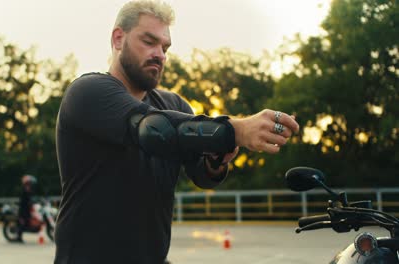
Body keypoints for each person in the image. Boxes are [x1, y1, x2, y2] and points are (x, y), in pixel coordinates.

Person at [54, 0, 299, 263]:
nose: (160, 54)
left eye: (165, 47)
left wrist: (216, 159)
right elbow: (154, 130)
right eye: (149, 42)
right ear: (118, 39)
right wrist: (236, 128)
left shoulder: (173, 105)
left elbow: (202, 175)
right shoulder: (88, 92)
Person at [17, 174, 37, 242]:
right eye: (28, 184)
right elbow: (22, 203)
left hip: (27, 210)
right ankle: (18, 237)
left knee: (27, 221)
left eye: (30, 184)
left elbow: (31, 200)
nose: (29, 186)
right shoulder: (23, 192)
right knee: (23, 222)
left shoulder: (29, 192)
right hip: (23, 211)